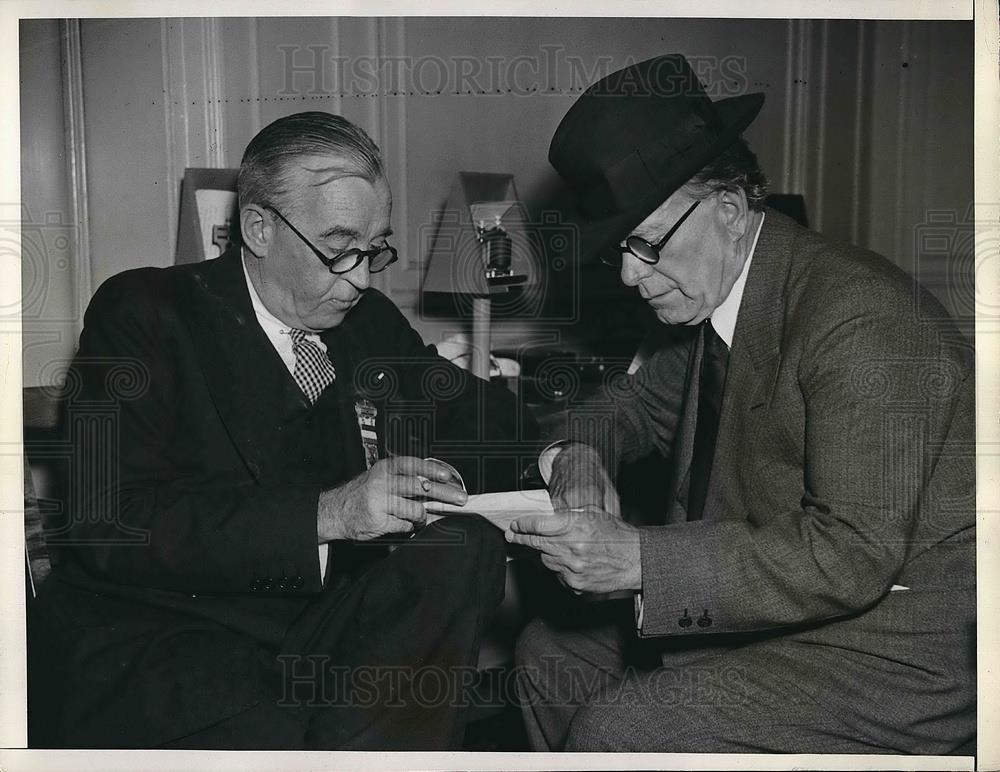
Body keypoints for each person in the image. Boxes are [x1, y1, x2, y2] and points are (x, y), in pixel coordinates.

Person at [509, 55, 975, 754]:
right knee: (548, 656)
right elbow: (620, 412)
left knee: (620, 731)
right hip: (789, 612)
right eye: (619, 253)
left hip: (899, 649)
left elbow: (851, 556)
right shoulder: (712, 303)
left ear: (728, 208)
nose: (633, 275)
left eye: (648, 242)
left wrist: (639, 560)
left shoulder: (862, 320)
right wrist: (577, 456)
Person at [29, 111, 536, 749]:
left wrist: (559, 451)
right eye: (338, 248)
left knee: (467, 547)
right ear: (260, 227)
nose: (361, 278)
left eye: (375, 248)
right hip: (170, 633)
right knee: (277, 724)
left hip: (313, 629)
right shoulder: (145, 314)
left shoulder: (365, 320)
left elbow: (475, 413)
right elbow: (109, 522)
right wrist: (327, 513)